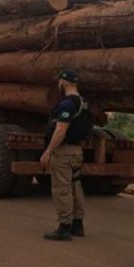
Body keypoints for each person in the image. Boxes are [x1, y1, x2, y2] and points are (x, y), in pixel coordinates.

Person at [40, 69, 92, 241]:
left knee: (62, 189)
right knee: (76, 186)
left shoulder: (67, 104)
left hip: (64, 152)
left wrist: (48, 151)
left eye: (59, 82)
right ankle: (78, 224)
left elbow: (61, 130)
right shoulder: (84, 103)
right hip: (77, 151)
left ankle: (64, 227)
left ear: (63, 82)